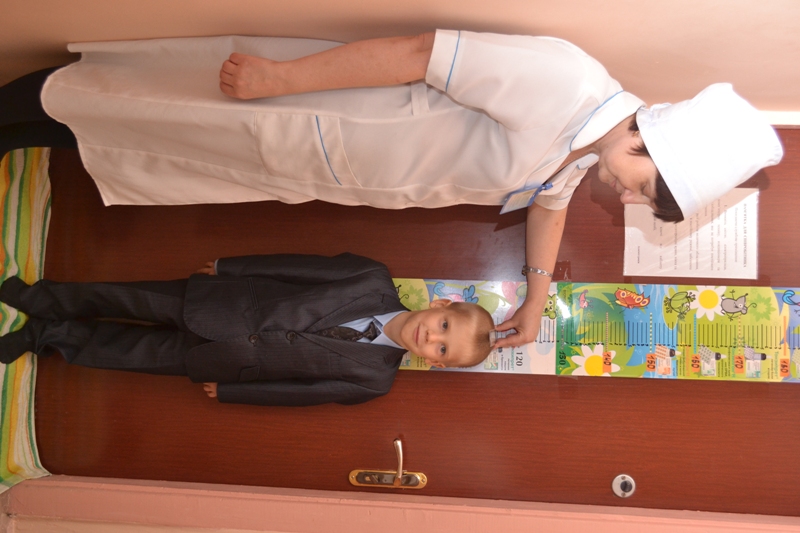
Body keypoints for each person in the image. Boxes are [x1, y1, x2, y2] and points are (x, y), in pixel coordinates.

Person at [1, 31, 784, 349]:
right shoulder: (567, 84)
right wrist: (280, 80)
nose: (633, 201)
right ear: (647, 140)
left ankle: (20, 133)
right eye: (649, 190)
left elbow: (549, 202)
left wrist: (537, 299)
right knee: (147, 108)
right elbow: (421, 54)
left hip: (317, 169)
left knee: (160, 148)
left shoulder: (584, 150)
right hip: (308, 116)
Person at [0, 253, 494, 406]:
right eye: (443, 325)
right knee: (123, 296)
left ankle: (41, 338)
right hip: (224, 302)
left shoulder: (374, 381)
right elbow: (300, 267)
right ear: (440, 303)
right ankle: (38, 300)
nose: (432, 338)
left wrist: (236, 392)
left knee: (131, 353)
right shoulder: (371, 277)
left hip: (232, 364)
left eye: (442, 349)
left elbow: (302, 395)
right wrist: (232, 267)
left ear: (435, 363)